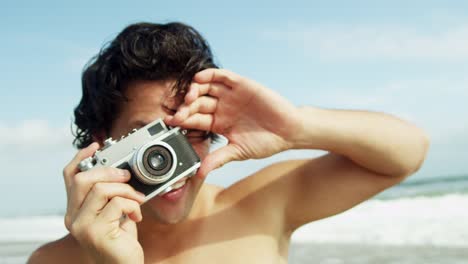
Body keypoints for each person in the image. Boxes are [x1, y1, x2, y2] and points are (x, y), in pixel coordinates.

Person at [28, 22, 429, 263]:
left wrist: (297, 126)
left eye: (192, 133)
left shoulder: (260, 203)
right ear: (104, 141)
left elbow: (407, 153)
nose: (168, 158)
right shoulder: (54, 260)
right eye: (150, 138)